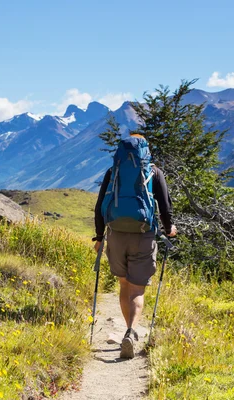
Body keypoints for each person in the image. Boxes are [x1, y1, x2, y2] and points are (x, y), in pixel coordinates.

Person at [93, 133, 176, 359]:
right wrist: (169, 230)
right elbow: (165, 207)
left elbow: (100, 206)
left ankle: (127, 330)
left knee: (123, 285)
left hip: (116, 235)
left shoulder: (113, 172)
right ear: (146, 151)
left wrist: (99, 237)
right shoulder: (154, 172)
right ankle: (131, 331)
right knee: (137, 288)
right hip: (143, 235)